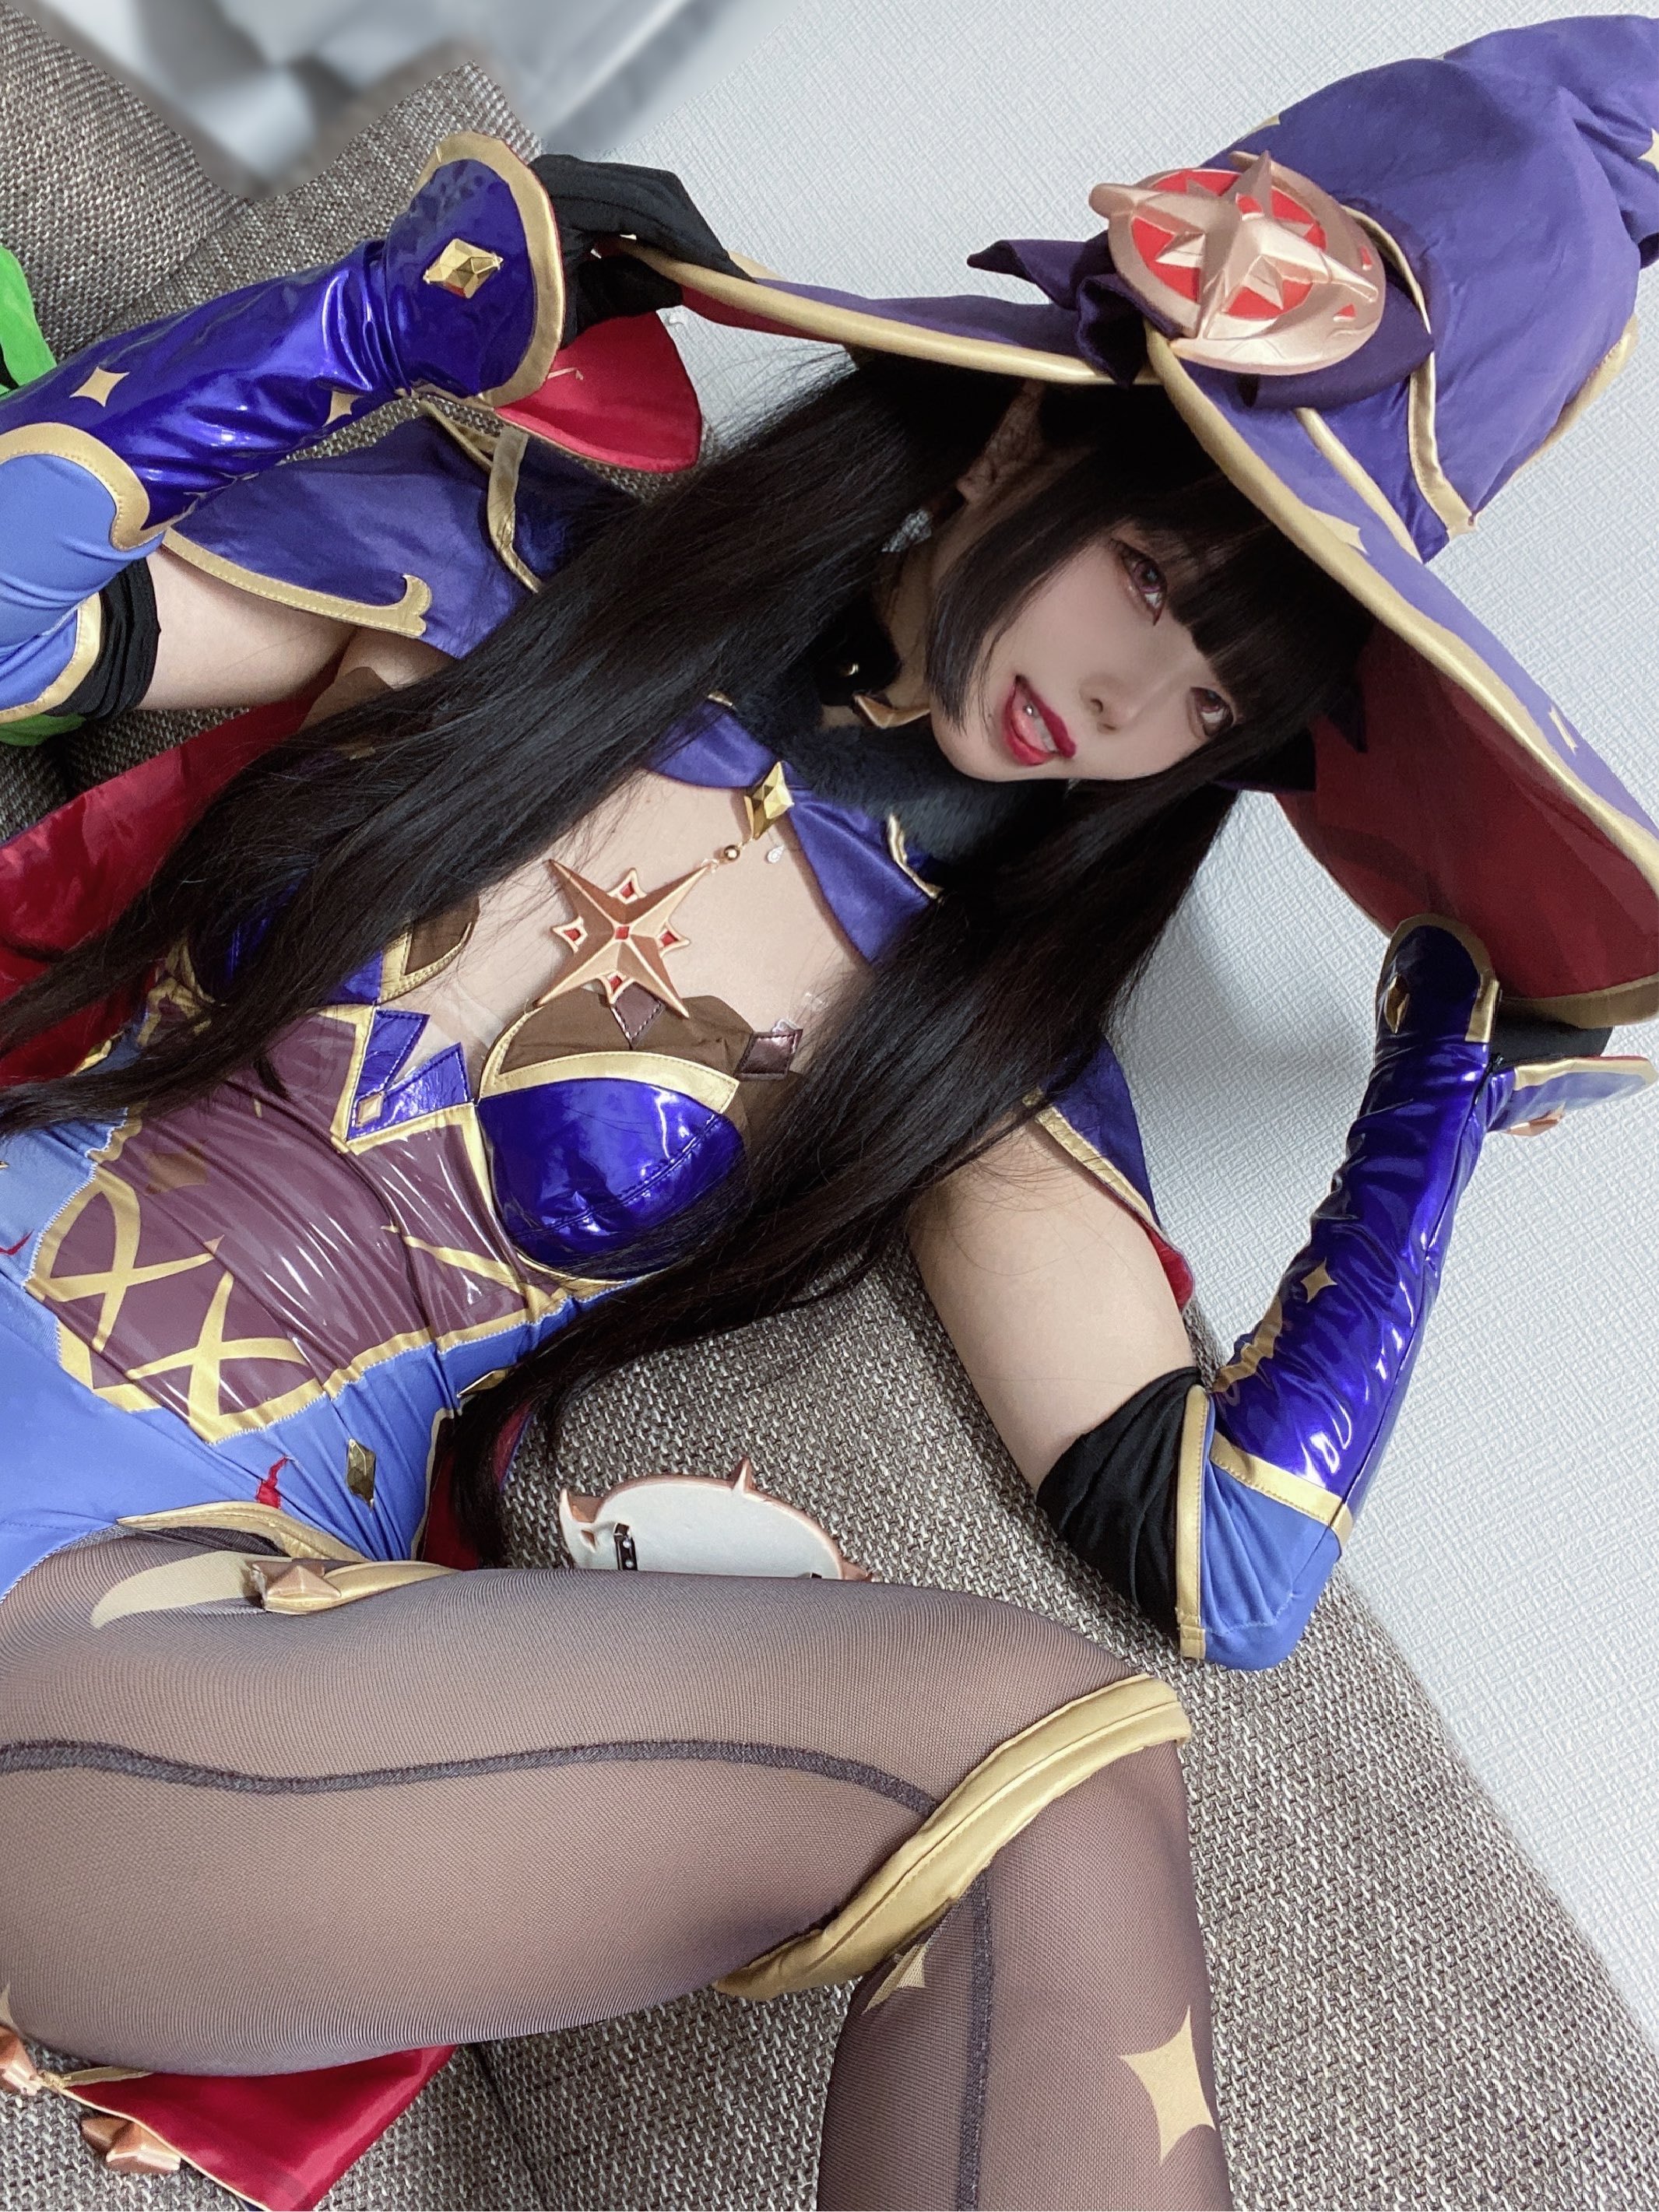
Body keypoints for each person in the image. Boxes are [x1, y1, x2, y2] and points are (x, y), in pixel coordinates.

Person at [0, 18, 1654, 2204]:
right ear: (1021, 429)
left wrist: (1432, 1083)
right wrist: (371, 325)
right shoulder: (507, 567)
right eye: (1158, 584)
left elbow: (1230, 1556)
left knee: (1052, 1769)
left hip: (155, 1658)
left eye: (1217, 702)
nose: (1130, 707)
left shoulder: (976, 1043)